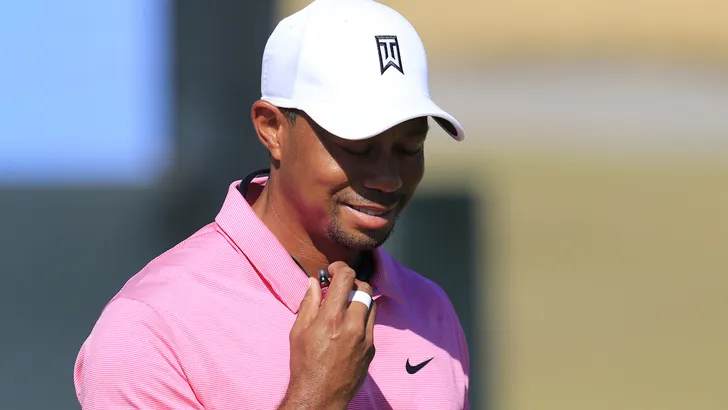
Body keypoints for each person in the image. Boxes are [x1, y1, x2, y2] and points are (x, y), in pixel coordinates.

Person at [73, 0, 470, 408]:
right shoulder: (149, 327)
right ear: (272, 128)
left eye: (409, 148)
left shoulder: (430, 309)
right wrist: (317, 394)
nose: (388, 178)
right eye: (358, 147)